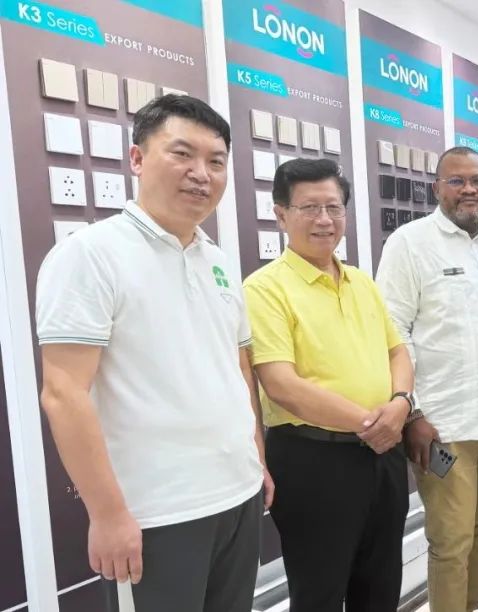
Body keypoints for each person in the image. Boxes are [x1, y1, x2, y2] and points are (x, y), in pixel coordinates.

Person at [35, 94, 269, 611]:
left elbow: (236, 366)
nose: (201, 174)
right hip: (156, 515)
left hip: (238, 495)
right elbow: (63, 392)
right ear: (137, 158)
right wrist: (107, 514)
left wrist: (257, 460)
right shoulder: (90, 255)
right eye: (182, 154)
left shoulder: (218, 261)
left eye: (216, 161)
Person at [244, 158, 414, 611]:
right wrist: (373, 424)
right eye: (309, 208)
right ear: (281, 215)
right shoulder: (265, 289)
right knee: (318, 593)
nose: (324, 219)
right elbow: (281, 384)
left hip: (383, 456)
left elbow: (397, 352)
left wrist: (401, 402)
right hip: (313, 461)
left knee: (381, 588)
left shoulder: (362, 282)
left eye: (334, 208)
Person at [375, 147, 478, 612]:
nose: (470, 190)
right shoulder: (409, 244)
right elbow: (392, 332)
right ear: (437, 188)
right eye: (457, 181)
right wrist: (412, 411)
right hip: (443, 429)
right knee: (451, 540)